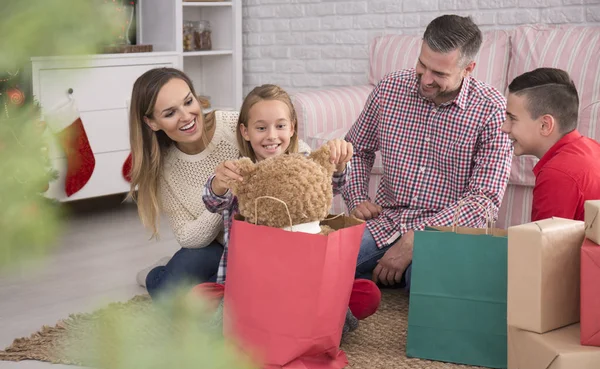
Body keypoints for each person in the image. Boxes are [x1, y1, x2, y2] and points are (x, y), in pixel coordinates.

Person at [343, 14, 513, 289]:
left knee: (429, 285)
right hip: (385, 222)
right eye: (422, 64)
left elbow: (484, 200)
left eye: (440, 74)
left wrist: (417, 237)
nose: (426, 80)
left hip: (443, 234)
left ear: (468, 68)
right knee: (323, 260)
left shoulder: (492, 109)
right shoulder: (390, 89)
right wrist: (357, 199)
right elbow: (356, 150)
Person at [198, 84, 382, 331]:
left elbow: (332, 185)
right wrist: (219, 182)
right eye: (261, 128)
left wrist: (339, 164)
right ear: (245, 132)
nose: (272, 135)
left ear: (292, 128)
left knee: (367, 294)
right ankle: (291, 319)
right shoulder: (243, 174)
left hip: (304, 281)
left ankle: (282, 318)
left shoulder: (303, 165)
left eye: (280, 126)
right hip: (249, 285)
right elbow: (213, 202)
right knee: (198, 299)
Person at [128, 67, 240, 299]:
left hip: (255, 241)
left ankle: (178, 273)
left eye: (188, 102)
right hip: (214, 247)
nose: (186, 116)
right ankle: (154, 275)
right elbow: (189, 237)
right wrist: (219, 197)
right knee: (171, 293)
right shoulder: (164, 169)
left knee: (216, 297)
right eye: (170, 113)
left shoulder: (232, 124)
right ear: (152, 123)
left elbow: (289, 148)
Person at [502, 67, 600, 222]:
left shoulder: (557, 174)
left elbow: (543, 244)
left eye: (512, 118)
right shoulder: (593, 147)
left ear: (545, 125)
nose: (504, 128)